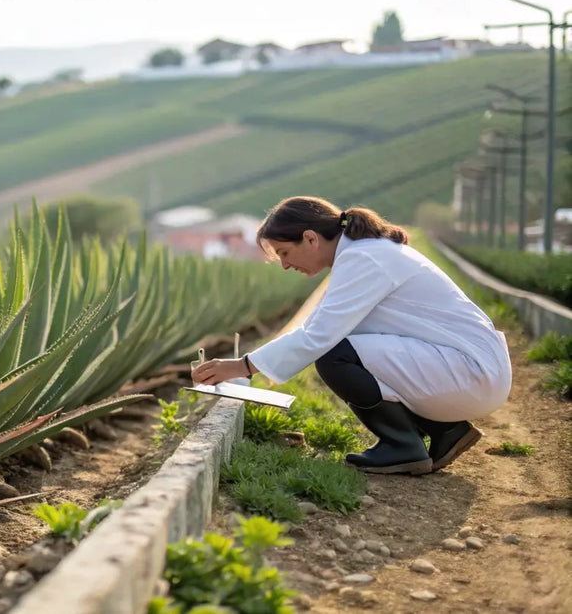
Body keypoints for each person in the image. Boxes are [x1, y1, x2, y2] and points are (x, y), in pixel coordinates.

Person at [191, 196, 512, 475]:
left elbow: (318, 336)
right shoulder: (362, 255)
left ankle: (401, 445)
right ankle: (446, 431)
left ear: (311, 238)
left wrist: (242, 367)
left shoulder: (364, 259)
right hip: (466, 367)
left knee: (334, 355)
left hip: (470, 373)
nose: (285, 265)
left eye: (285, 253)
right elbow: (320, 324)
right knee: (348, 349)